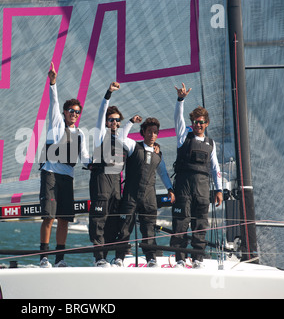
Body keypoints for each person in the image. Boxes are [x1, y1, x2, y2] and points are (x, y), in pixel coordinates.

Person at [38, 62, 90, 267]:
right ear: (65, 112)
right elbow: (54, 101)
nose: (74, 114)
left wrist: (98, 164)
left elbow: (85, 157)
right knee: (48, 217)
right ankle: (44, 258)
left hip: (67, 177)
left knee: (65, 219)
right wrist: (53, 82)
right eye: (71, 110)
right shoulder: (57, 122)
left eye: (77, 112)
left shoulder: (81, 134)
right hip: (50, 173)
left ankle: (59, 260)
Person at [170, 83, 223, 268]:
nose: (198, 125)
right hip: (183, 187)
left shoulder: (211, 143)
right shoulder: (184, 135)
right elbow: (178, 118)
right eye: (195, 122)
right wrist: (180, 100)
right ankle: (180, 260)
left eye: (201, 122)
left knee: (200, 225)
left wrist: (219, 190)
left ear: (206, 124)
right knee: (180, 224)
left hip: (202, 188)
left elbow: (215, 167)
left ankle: (198, 259)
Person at [88, 81, 139, 267]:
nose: (114, 123)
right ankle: (99, 258)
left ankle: (114, 258)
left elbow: (129, 137)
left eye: (117, 120)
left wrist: (131, 122)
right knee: (99, 221)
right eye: (112, 120)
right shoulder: (100, 135)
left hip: (117, 184)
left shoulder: (122, 140)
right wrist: (108, 93)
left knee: (113, 223)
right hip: (101, 181)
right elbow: (102, 112)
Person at [115, 118, 175, 267]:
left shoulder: (158, 153)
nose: (152, 135)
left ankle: (151, 259)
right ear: (143, 133)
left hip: (149, 197)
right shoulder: (133, 146)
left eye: (155, 132)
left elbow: (163, 174)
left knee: (148, 230)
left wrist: (170, 189)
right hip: (131, 195)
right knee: (124, 229)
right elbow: (119, 138)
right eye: (149, 132)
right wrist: (130, 122)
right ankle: (119, 258)